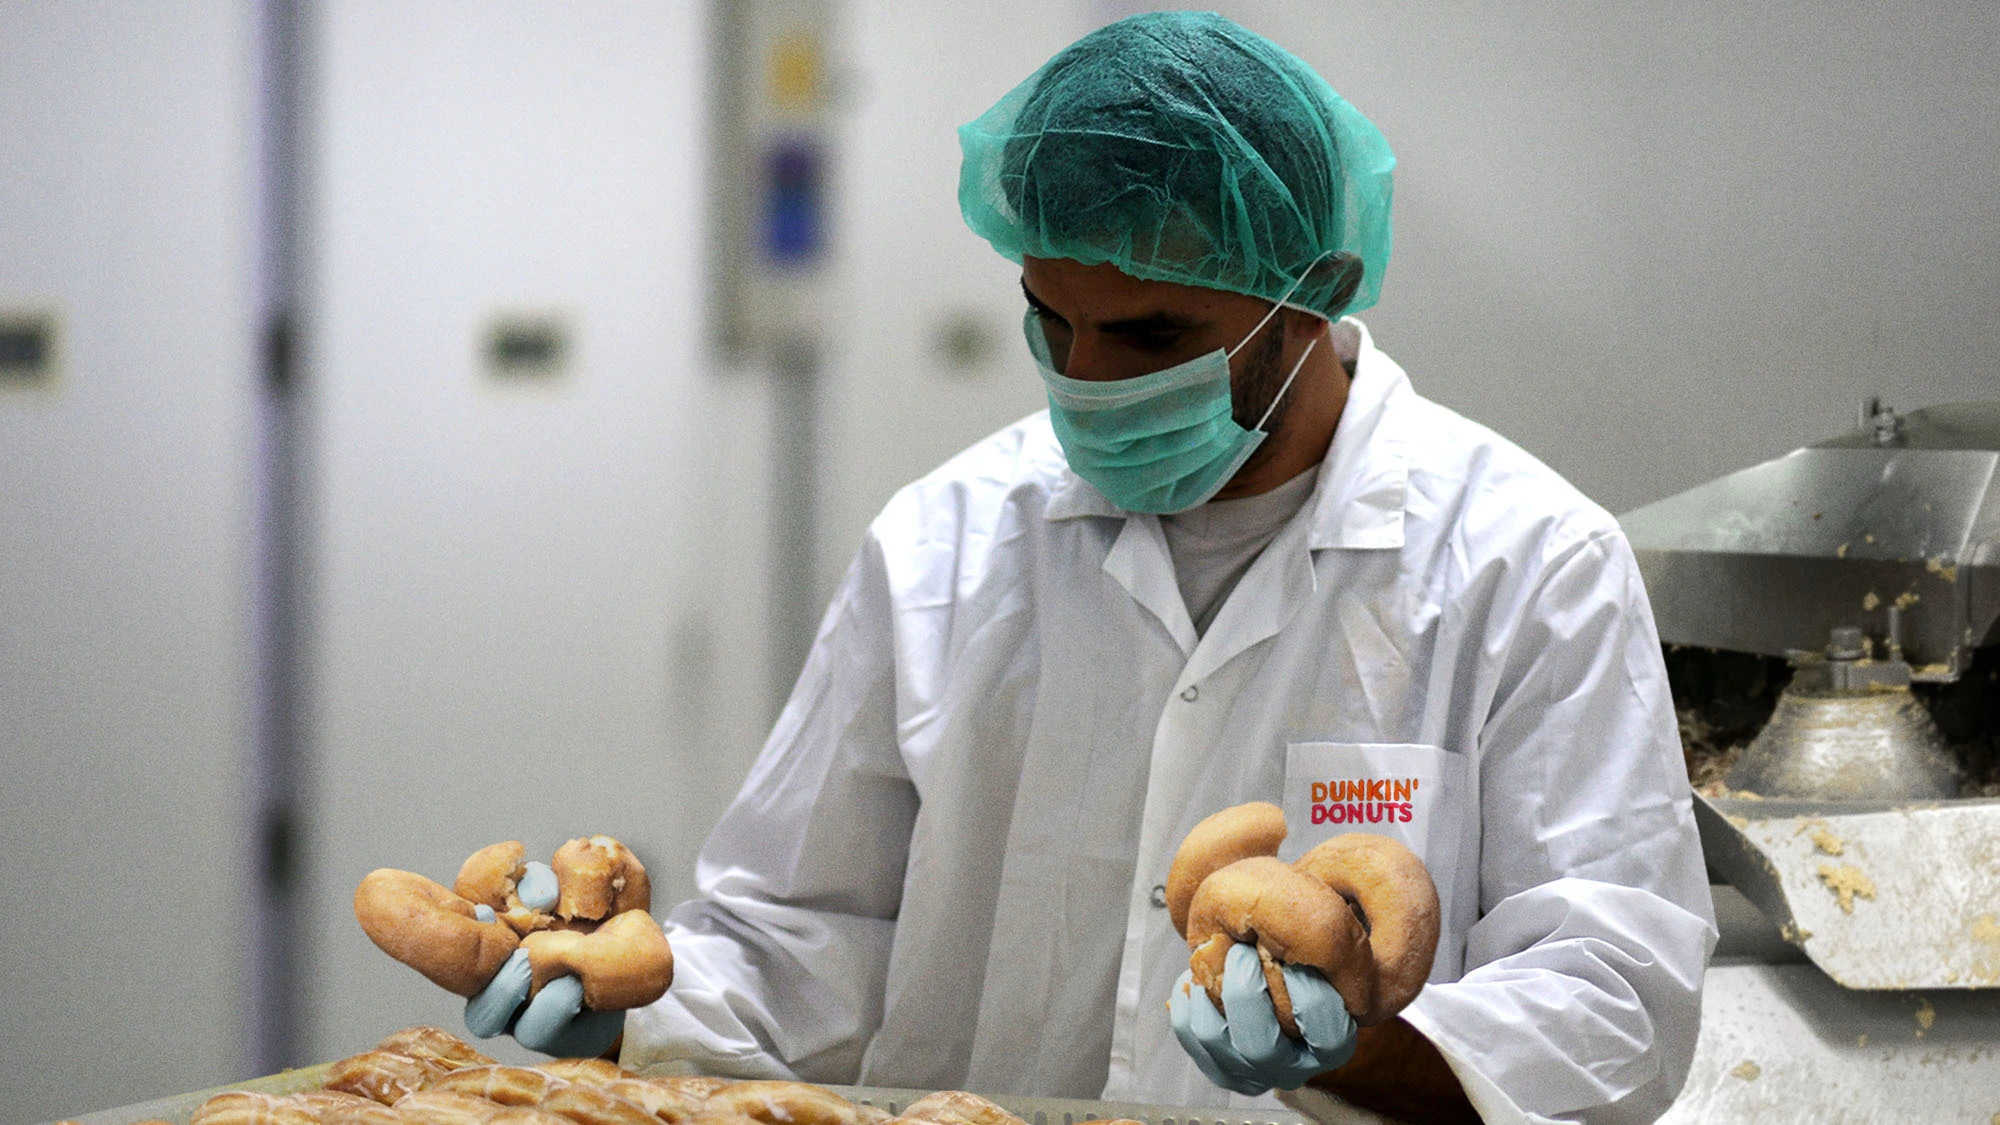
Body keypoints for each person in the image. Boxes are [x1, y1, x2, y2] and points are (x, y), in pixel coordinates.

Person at [463, 12, 1716, 1123]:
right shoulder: (944, 548)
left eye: (1154, 335)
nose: (1090, 380)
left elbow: (1613, 998)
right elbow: (804, 935)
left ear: (1313, 291)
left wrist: (1354, 1055)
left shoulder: (1524, 565)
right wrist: (629, 1009)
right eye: (1049, 320)